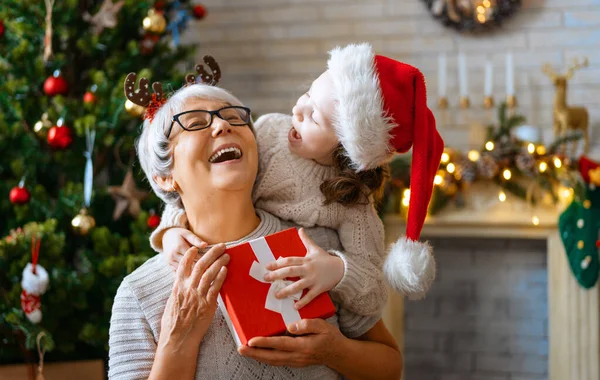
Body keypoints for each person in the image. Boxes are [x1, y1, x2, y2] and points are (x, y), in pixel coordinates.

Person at [108, 68, 402, 379]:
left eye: (235, 118)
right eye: (195, 123)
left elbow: (390, 367)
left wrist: (335, 351)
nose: (223, 125)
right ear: (165, 178)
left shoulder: (317, 252)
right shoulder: (139, 293)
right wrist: (178, 340)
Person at [152, 43, 444, 304]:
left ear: (345, 150)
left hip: (274, 278)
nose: (298, 108)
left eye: (314, 116)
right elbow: (196, 184)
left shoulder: (350, 201)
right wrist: (172, 228)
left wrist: (338, 271)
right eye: (307, 93)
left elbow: (374, 292)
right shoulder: (267, 131)